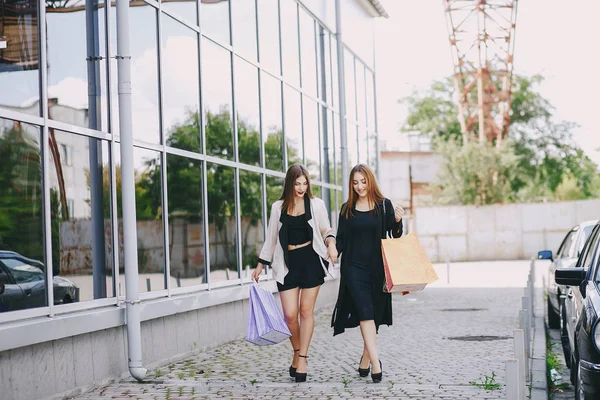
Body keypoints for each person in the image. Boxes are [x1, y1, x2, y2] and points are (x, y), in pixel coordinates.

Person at [252, 164, 338, 383]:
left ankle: (303, 358)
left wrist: (331, 244)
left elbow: (326, 230)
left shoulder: (316, 205)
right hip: (287, 265)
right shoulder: (278, 207)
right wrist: (261, 264)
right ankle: (297, 351)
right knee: (289, 315)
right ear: (290, 184)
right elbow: (271, 238)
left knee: (305, 311)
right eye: (297, 183)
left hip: (311, 261)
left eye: (304, 183)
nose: (301, 188)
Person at [331, 163, 404, 383]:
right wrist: (333, 248)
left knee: (372, 315)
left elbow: (395, 234)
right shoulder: (347, 209)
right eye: (355, 183)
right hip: (353, 268)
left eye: (363, 181)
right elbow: (341, 239)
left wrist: (399, 221)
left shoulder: (384, 205)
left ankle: (364, 358)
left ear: (370, 181)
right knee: (365, 311)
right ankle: (375, 363)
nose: (360, 186)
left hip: (378, 269)